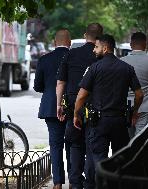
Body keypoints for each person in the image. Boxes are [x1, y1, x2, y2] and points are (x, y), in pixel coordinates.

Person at [73, 34, 144, 169]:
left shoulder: (94, 68)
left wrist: (76, 114)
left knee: (99, 160)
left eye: (97, 47)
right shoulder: (127, 68)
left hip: (99, 121)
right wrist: (134, 112)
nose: (94, 50)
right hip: (120, 121)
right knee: (120, 159)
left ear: (105, 49)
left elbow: (81, 96)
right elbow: (139, 95)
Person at [56, 23, 103, 189]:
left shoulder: (72, 54)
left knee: (75, 145)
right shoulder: (101, 56)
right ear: (100, 37)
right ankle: (90, 183)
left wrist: (59, 105)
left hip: (73, 107)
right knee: (92, 146)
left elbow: (61, 82)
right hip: (95, 109)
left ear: (85, 35)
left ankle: (75, 183)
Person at [34, 29, 71, 189]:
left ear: (54, 43)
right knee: (73, 145)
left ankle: (57, 183)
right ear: (69, 43)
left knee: (55, 146)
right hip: (71, 107)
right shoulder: (74, 58)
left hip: (50, 107)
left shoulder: (44, 60)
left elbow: (37, 86)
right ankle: (74, 181)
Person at [121, 32, 148, 138]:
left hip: (125, 107)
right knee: (140, 139)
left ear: (131, 44)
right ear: (145, 44)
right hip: (145, 108)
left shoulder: (122, 62)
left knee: (127, 138)